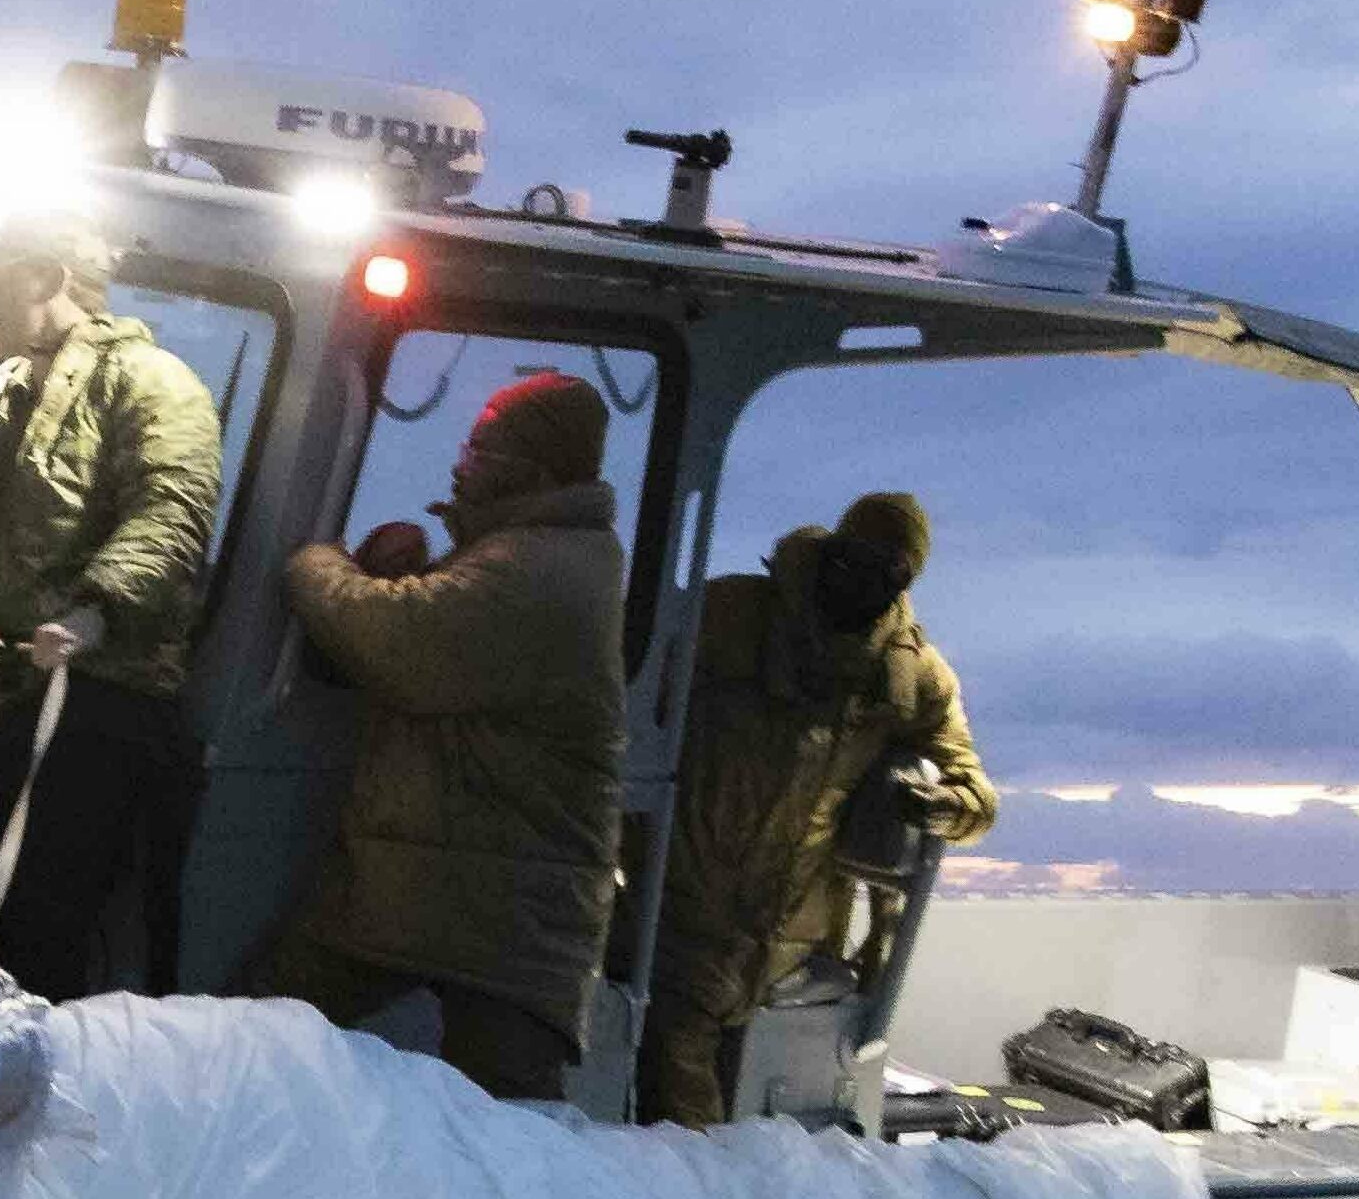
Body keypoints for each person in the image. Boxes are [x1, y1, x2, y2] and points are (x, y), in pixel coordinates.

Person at [251, 370, 628, 1105]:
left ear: (534, 467)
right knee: (269, 1028)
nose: (463, 461)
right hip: (454, 892)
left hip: (499, 912)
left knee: (504, 1132)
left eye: (483, 447)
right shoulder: (526, 554)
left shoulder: (542, 566)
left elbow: (402, 642)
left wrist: (315, 561)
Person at [0, 206, 225, 995]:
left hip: (100, 695)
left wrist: (94, 611)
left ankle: (24, 1079)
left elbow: (170, 508)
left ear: (47, 278)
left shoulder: (155, 384)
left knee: (41, 916)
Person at [639, 493, 1000, 1128]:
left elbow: (973, 791)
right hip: (676, 901)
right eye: (851, 559)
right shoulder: (729, 615)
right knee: (676, 1079)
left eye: (884, 570)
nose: (859, 579)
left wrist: (945, 806)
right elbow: (632, 690)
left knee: (732, 1095)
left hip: (789, 931)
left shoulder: (912, 678)